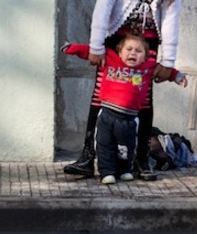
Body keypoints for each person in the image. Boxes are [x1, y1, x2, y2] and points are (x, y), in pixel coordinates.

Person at [64, 0, 185, 181]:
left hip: (148, 43)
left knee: (141, 100)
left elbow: (172, 14)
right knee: (102, 95)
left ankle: (141, 159)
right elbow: (105, 1)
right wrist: (96, 45)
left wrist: (168, 62)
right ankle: (88, 156)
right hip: (118, 40)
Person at [62, 35, 186, 184]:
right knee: (104, 145)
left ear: (146, 56)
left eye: (138, 51)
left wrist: (178, 76)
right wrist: (71, 48)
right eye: (129, 49)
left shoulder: (148, 67)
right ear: (120, 52)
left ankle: (125, 170)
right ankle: (107, 172)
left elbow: (168, 71)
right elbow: (88, 51)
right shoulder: (110, 58)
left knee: (127, 147)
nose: (133, 53)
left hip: (129, 119)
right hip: (107, 115)